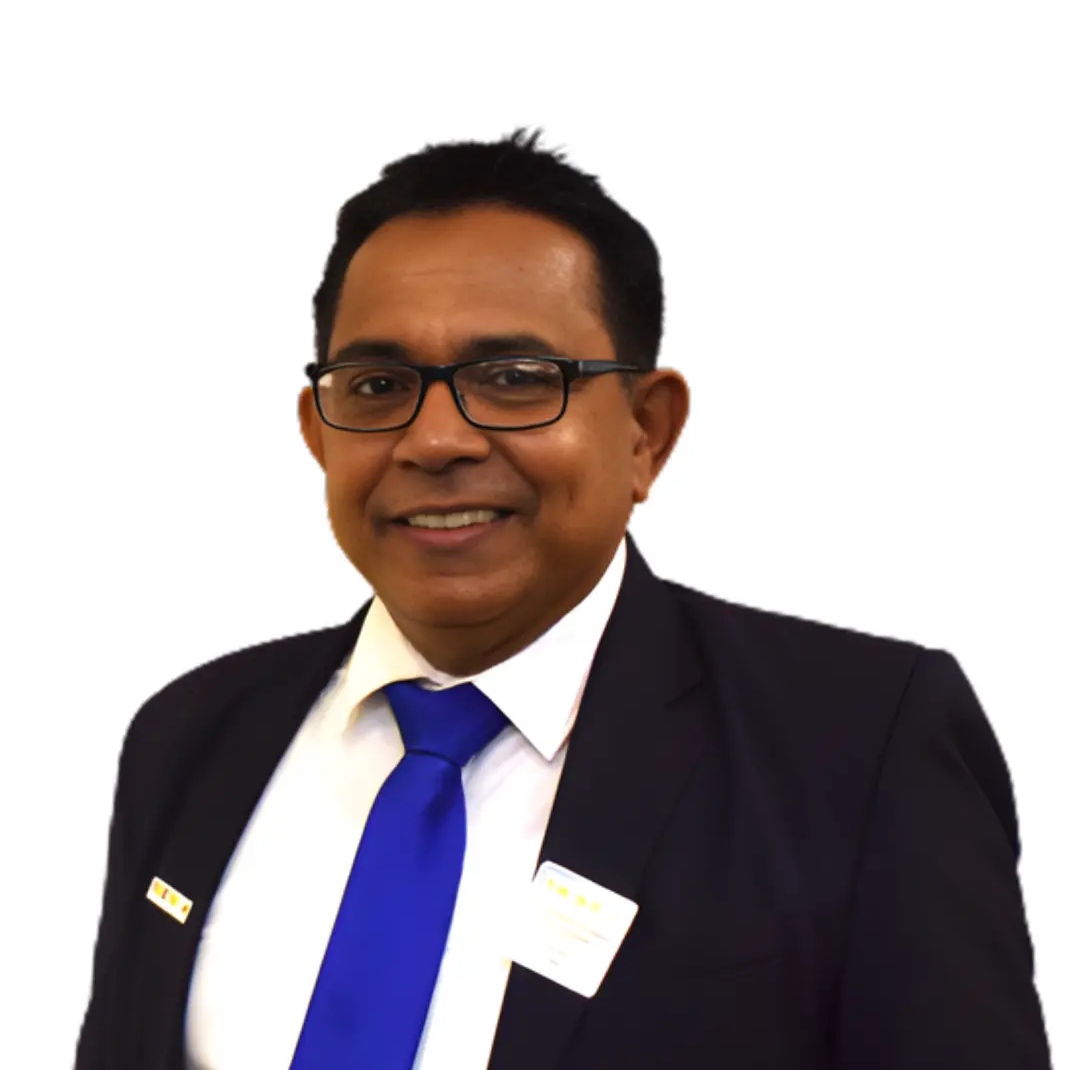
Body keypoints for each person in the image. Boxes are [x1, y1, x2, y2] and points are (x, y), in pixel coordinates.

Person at [74, 127, 1053, 1070]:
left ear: (645, 431)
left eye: (513, 378)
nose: (435, 440)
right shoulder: (193, 734)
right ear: (318, 432)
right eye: (377, 386)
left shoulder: (861, 747)